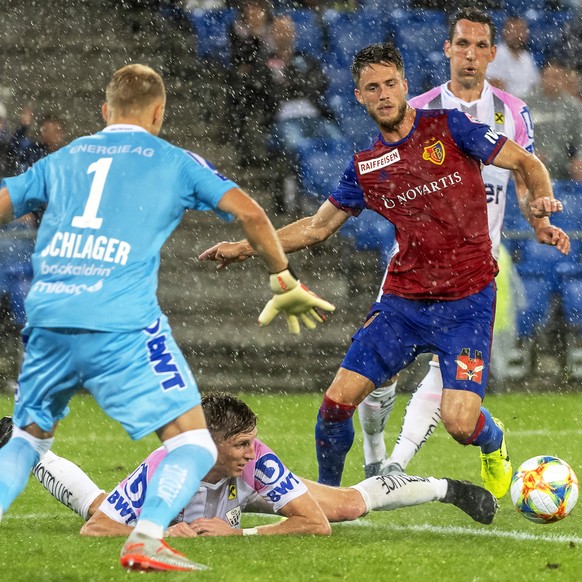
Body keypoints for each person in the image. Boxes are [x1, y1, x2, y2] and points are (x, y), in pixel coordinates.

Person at [0, 64, 334, 573]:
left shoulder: (65, 156)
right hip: (120, 318)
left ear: (104, 111)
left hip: (51, 313)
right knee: (194, 442)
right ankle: (147, 538)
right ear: (158, 113)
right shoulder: (172, 159)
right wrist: (283, 278)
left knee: (26, 439)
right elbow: (249, 213)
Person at [199, 43, 570, 497]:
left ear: (405, 86)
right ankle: (326, 499)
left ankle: (493, 442)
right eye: (372, 88)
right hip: (403, 304)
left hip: (468, 303)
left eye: (390, 83)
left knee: (459, 423)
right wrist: (244, 245)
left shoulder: (450, 127)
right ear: (359, 96)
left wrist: (543, 207)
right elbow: (316, 229)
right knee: (334, 405)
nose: (383, 94)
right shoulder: (366, 167)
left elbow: (527, 163)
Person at [357, 7, 558, 480]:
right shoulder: (419, 108)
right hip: (411, 263)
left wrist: (537, 219)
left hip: (474, 266)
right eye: (461, 44)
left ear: (492, 54)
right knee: (373, 371)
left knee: (455, 410)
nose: (470, 54)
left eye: (479, 46)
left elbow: (524, 175)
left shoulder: (511, 111)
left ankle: (396, 467)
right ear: (447, 49)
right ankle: (375, 459)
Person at [0, 394, 497, 536]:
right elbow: (97, 533)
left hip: (241, 495)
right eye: (239, 444)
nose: (251, 450)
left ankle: (445, 487)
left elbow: (316, 525)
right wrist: (158, 535)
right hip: (174, 503)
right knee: (97, 510)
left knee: (346, 505)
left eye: (251, 442)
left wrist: (240, 535)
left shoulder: (254, 459)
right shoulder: (167, 465)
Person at [267, 15, 343, 213]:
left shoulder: (307, 59)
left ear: (294, 33)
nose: (284, 34)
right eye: (279, 29)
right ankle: (307, 197)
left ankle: (339, 195)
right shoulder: (265, 63)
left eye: (288, 29)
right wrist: (297, 83)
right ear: (272, 34)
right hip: (284, 120)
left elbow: (318, 84)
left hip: (315, 116)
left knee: (338, 142)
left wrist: (289, 82)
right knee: (299, 147)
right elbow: (267, 92)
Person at [525, 59, 582, 181]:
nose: (551, 81)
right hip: (532, 166)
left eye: (556, 77)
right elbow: (515, 136)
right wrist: (529, 154)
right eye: (548, 76)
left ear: (563, 80)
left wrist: (579, 160)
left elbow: (580, 140)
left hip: (563, 169)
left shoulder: (573, 107)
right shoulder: (526, 104)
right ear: (541, 78)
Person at [487, 16, 540, 99]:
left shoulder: (527, 57)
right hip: (505, 104)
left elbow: (535, 86)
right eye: (513, 30)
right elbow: (495, 87)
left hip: (527, 103)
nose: (517, 34)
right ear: (504, 32)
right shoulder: (497, 54)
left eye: (520, 30)